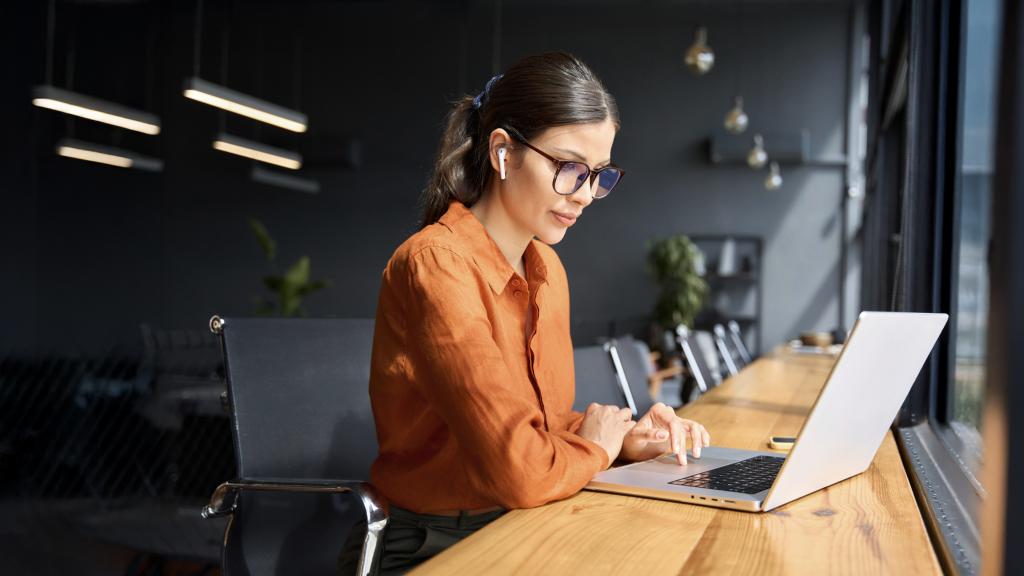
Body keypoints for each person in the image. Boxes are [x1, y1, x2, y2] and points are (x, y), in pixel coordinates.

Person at [339, 51, 710, 575]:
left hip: (523, 522)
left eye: (598, 175)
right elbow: (517, 469)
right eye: (568, 168)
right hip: (434, 546)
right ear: (503, 152)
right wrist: (598, 451)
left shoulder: (547, 270)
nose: (584, 195)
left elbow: (541, 428)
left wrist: (622, 439)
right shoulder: (436, 264)